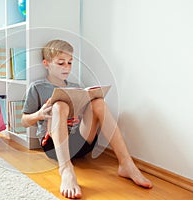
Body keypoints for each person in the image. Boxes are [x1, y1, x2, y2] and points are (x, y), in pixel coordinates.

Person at [21, 39, 152, 199]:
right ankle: (66, 170)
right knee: (59, 105)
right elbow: (24, 121)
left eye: (70, 63)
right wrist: (40, 114)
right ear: (46, 63)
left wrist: (79, 116)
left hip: (80, 143)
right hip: (53, 147)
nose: (67, 67)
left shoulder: (76, 86)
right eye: (61, 63)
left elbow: (86, 114)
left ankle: (126, 164)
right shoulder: (37, 87)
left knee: (98, 103)